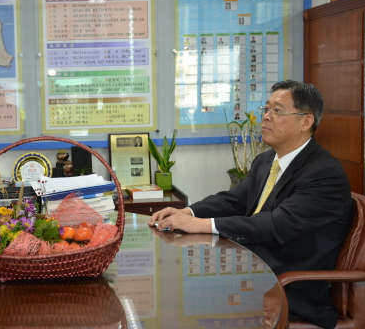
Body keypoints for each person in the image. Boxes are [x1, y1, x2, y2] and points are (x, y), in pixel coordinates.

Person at [148, 80, 352, 329]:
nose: (265, 117)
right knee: (174, 290)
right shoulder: (266, 161)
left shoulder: (324, 173)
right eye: (266, 109)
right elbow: (233, 200)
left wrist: (200, 224)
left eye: (277, 111)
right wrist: (187, 212)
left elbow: (277, 225)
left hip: (286, 287)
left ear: (306, 122)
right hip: (250, 271)